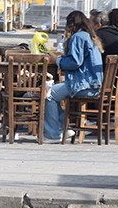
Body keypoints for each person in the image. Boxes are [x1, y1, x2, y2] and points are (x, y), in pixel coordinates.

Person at [44, 11, 104, 144]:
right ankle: (64, 128)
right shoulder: (90, 36)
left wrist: (57, 60)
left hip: (83, 84)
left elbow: (75, 62)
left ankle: (54, 133)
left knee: (49, 94)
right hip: (94, 84)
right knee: (56, 94)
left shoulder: (78, 37)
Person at [93, 10, 118, 80]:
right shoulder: (116, 35)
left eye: (89, 22)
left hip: (115, 79)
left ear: (98, 24)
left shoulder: (97, 36)